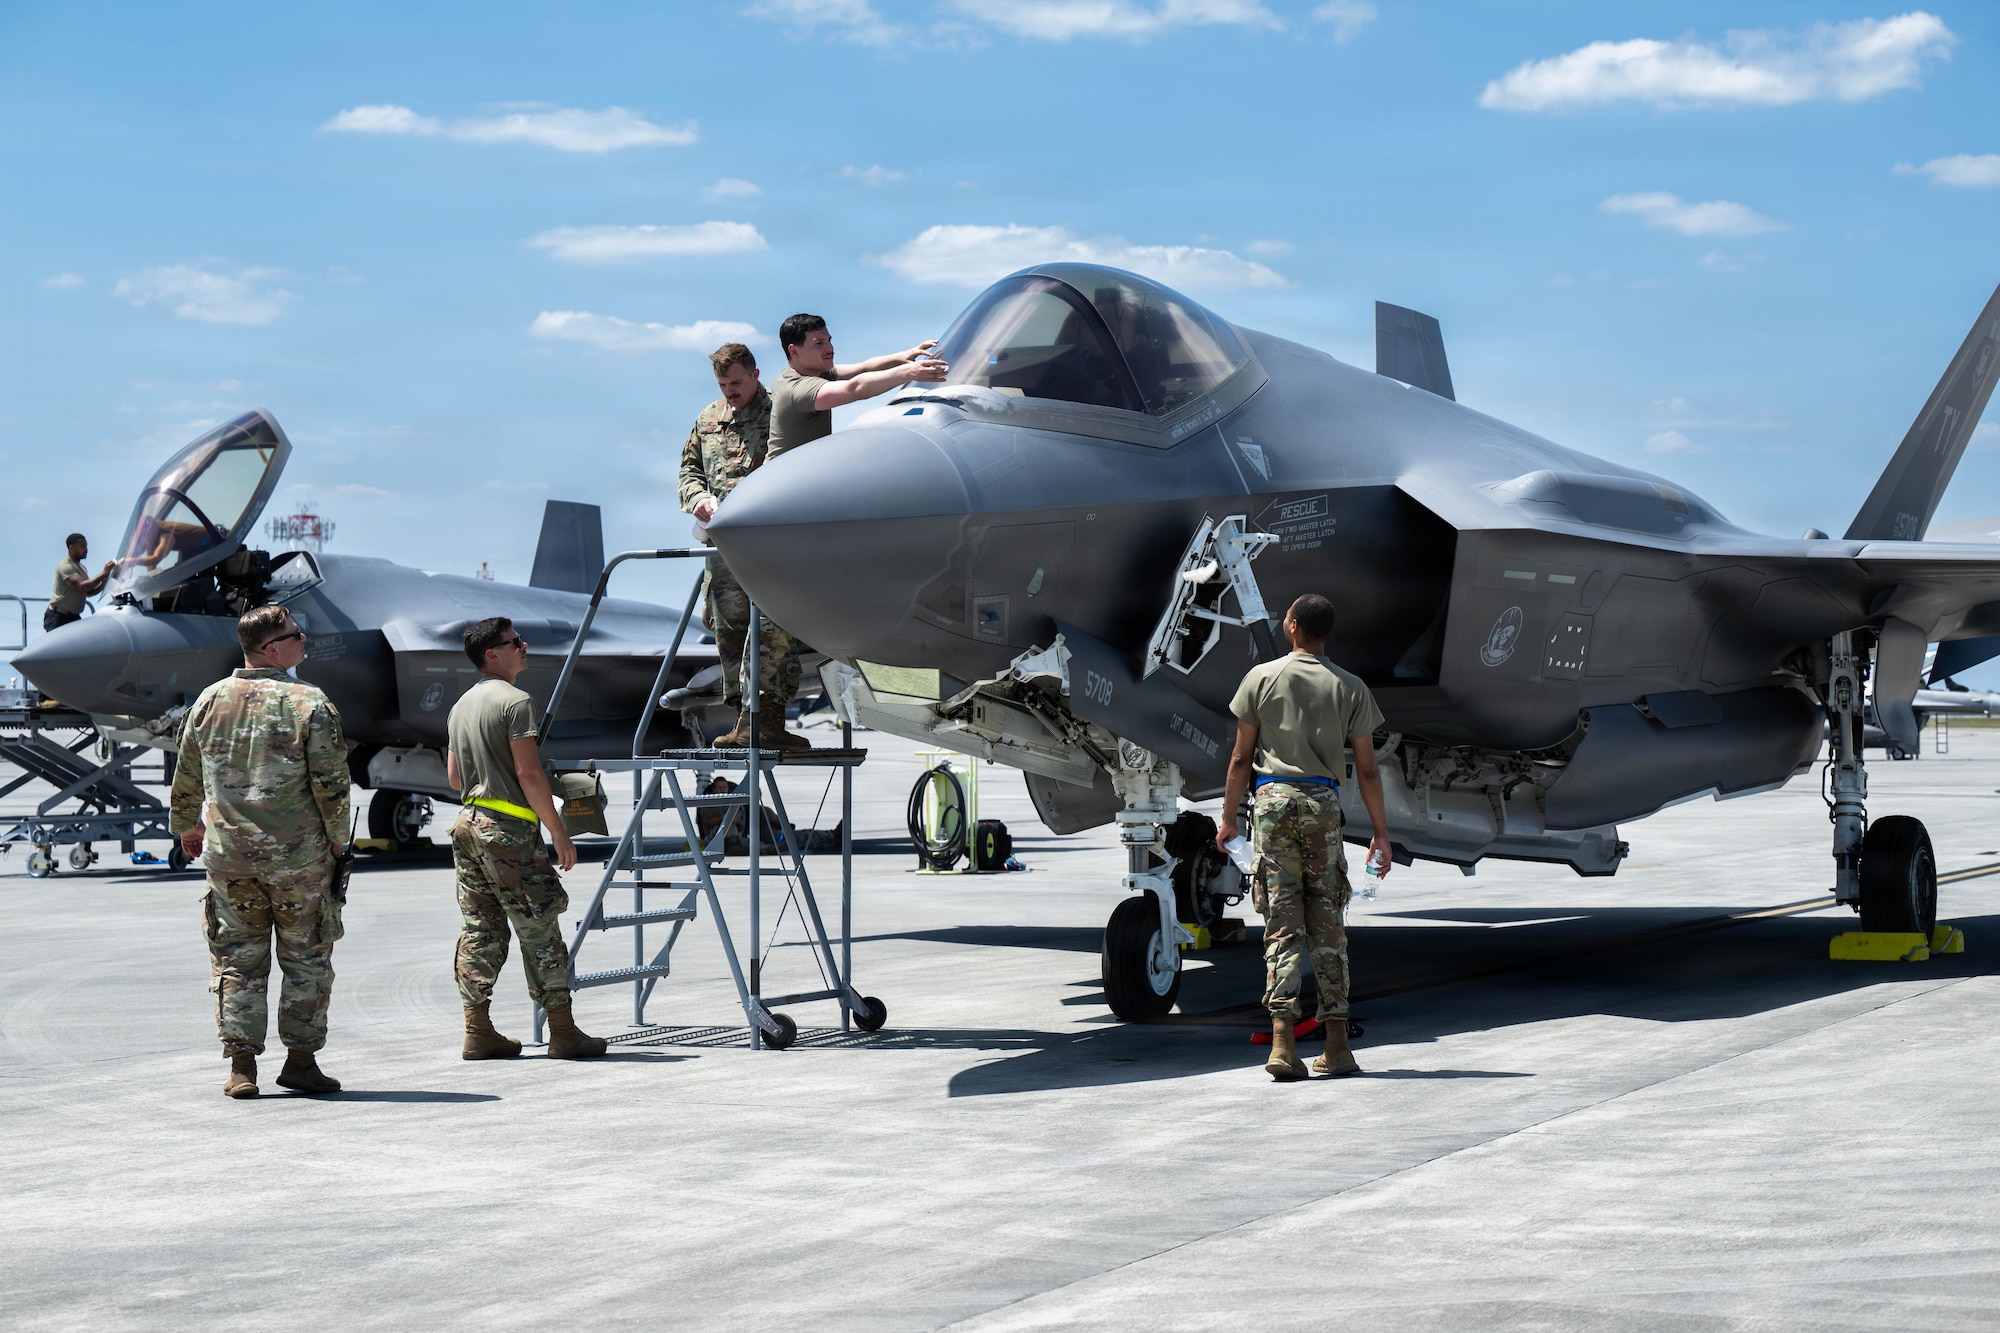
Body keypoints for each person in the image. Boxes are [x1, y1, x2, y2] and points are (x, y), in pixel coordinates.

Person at [169, 605, 350, 1099]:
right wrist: (339, 838)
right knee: (307, 958)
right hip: (299, 862)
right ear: (272, 649)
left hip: (230, 859)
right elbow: (332, 784)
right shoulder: (309, 702)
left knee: (237, 961)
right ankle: (301, 1062)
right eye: (296, 634)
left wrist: (187, 827)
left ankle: (241, 1068)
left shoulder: (209, 700)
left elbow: (186, 773)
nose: (304, 640)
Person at [1218, 594, 1392, 1083]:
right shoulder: (1350, 687)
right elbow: (1369, 770)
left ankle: (1281, 1043)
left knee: (1282, 924)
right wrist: (1381, 834)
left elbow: (1238, 758)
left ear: (1291, 626)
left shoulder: (1261, 678)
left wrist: (1229, 818)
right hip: (1323, 806)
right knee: (1328, 926)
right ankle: (1337, 1046)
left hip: (1272, 807)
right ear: (1324, 632)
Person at [445, 617, 606, 1061]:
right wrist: (559, 832)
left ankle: (477, 1030)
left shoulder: (460, 706)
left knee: (480, 928)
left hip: (468, 824)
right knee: (539, 926)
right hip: (509, 831)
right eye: (514, 642)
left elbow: (455, 775)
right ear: (491, 654)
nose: (524, 646)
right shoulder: (517, 702)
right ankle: (563, 1031)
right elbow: (527, 772)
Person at [678, 342, 807, 752]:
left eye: (736, 382)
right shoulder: (708, 417)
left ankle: (768, 721)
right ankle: (743, 721)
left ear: (754, 374)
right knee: (730, 633)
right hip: (724, 550)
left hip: (772, 548)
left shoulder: (782, 413)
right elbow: (689, 470)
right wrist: (697, 498)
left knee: (770, 634)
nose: (730, 391)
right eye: (723, 384)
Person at [765, 312, 949, 459]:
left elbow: (863, 368)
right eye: (819, 343)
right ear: (794, 351)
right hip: (783, 484)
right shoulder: (797, 389)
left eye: (829, 340)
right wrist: (907, 372)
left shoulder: (811, 371)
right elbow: (854, 389)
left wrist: (904, 356)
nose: (830, 348)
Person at [46, 533, 113, 632]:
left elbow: (88, 592)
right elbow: (82, 587)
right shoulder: (66, 566)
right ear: (71, 548)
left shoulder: (81, 568)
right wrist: (104, 573)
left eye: (86, 546)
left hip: (73, 618)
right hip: (59, 617)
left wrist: (104, 583)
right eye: (82, 547)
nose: (86, 549)